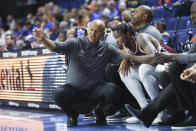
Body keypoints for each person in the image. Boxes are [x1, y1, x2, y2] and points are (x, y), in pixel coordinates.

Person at [33, 19, 122, 127]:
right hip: (74, 91)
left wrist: (126, 59)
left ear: (102, 34)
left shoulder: (107, 48)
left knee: (114, 90)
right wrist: (43, 39)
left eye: (97, 31)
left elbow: (122, 59)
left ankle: (100, 111)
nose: (93, 34)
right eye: (91, 30)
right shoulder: (75, 43)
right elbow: (56, 47)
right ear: (88, 29)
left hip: (95, 91)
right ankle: (72, 114)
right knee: (58, 93)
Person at [124, 1, 196, 128]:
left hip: (161, 62)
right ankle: (174, 114)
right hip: (168, 63)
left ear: (144, 16)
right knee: (170, 72)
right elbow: (190, 53)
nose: (191, 16)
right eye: (190, 13)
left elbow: (153, 59)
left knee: (156, 69)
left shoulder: (148, 32)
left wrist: (175, 57)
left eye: (194, 13)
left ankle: (152, 112)